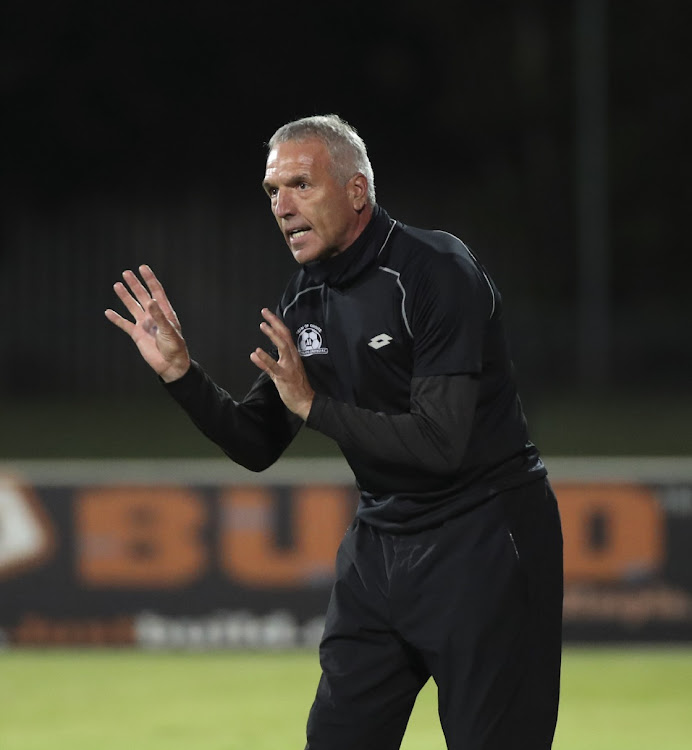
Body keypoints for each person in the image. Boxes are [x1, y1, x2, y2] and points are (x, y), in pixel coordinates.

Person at [106, 114, 563, 750]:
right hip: (380, 550)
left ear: (356, 191)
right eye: (271, 191)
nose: (282, 206)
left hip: (484, 539)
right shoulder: (304, 298)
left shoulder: (434, 271)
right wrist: (183, 376)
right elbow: (257, 443)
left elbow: (441, 442)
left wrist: (314, 405)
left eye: (300, 184)